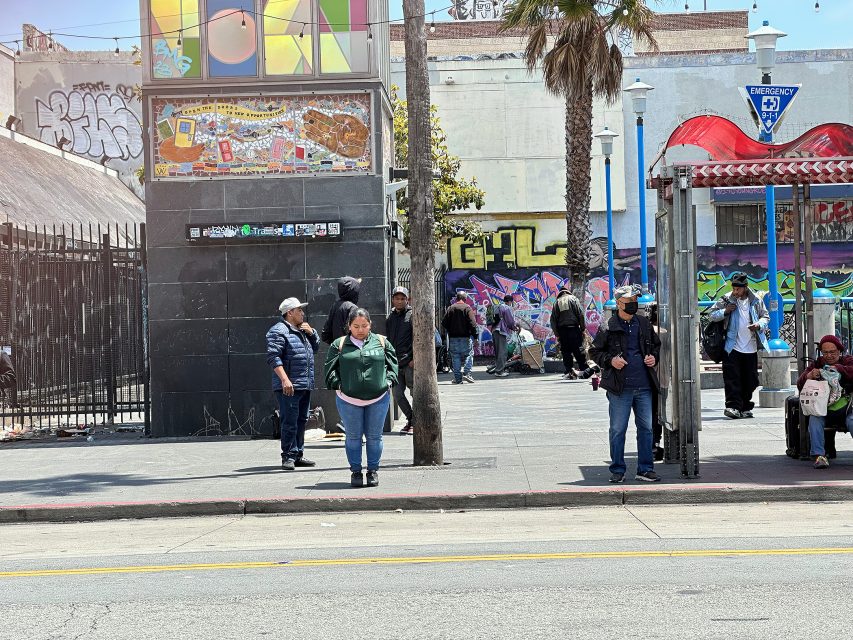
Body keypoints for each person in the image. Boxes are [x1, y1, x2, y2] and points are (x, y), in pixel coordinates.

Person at [589, 284, 662, 483]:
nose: (634, 304)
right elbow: (594, 352)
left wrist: (653, 358)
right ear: (619, 303)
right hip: (619, 388)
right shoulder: (609, 326)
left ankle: (645, 468)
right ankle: (618, 470)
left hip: (644, 385)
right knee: (618, 429)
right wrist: (610, 360)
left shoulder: (644, 324)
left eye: (635, 301)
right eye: (630, 301)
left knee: (646, 428)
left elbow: (656, 345)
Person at [324, 309, 398, 488]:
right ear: (348, 326)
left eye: (364, 325)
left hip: (378, 398)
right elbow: (329, 370)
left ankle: (373, 471)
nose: (360, 330)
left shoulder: (381, 342)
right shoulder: (339, 344)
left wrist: (388, 382)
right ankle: (356, 472)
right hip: (348, 399)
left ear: (370, 324)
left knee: (374, 436)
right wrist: (339, 384)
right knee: (353, 436)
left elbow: (393, 365)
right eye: (356, 326)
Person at [266, 297, 320, 471]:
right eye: (299, 310)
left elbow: (315, 349)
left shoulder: (302, 330)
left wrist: (312, 333)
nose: (302, 313)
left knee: (301, 420)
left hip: (304, 383)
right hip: (289, 385)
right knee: (289, 421)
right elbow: (273, 357)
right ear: (290, 313)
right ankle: (288, 456)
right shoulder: (278, 331)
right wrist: (284, 379)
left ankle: (298, 454)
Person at [709, 272, 770, 419]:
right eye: (734, 288)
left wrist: (759, 325)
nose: (735, 292)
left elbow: (765, 316)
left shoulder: (755, 300)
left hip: (751, 347)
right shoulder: (726, 299)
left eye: (738, 289)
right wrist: (725, 311)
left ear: (745, 288)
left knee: (751, 379)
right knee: (732, 378)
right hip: (732, 346)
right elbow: (712, 315)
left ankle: (745, 406)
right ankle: (733, 406)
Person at [796, 335, 853, 469]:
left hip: (847, 408)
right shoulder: (817, 364)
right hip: (823, 409)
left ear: (839, 351)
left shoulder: (848, 361)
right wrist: (808, 376)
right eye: (825, 352)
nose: (829, 355)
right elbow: (800, 384)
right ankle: (819, 456)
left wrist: (839, 369)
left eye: (832, 352)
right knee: (814, 419)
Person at [386, 286, 414, 433]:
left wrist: (414, 358)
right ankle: (411, 419)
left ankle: (415, 422)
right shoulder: (390, 317)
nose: (399, 301)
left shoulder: (412, 315)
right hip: (395, 363)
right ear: (392, 300)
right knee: (397, 393)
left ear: (407, 300)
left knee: (414, 393)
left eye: (403, 298)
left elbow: (419, 337)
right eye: (397, 298)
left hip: (409, 362)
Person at [550, 286, 587, 379]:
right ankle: (584, 369)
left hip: (563, 331)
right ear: (567, 292)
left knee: (566, 352)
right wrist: (583, 329)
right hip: (574, 329)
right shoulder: (574, 299)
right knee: (579, 350)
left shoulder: (556, 303)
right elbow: (580, 314)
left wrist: (557, 335)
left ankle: (569, 371)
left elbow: (553, 321)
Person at [442, 291, 478, 384]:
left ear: (456, 298)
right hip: (466, 337)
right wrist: (476, 337)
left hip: (453, 338)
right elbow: (473, 324)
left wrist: (451, 328)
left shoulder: (451, 308)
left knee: (455, 357)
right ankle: (467, 373)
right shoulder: (467, 308)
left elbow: (444, 323)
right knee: (469, 354)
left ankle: (458, 379)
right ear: (465, 299)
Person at [321, 276, 360, 344]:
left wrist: (336, 344)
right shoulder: (353, 308)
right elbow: (357, 333)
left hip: (337, 350)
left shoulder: (335, 306)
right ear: (354, 290)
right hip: (350, 350)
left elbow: (325, 334)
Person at [491, 294, 519, 378]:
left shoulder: (497, 306)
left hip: (494, 330)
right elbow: (510, 321)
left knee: (498, 351)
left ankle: (498, 368)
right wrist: (514, 327)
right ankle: (499, 371)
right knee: (503, 351)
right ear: (510, 301)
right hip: (501, 331)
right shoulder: (507, 308)